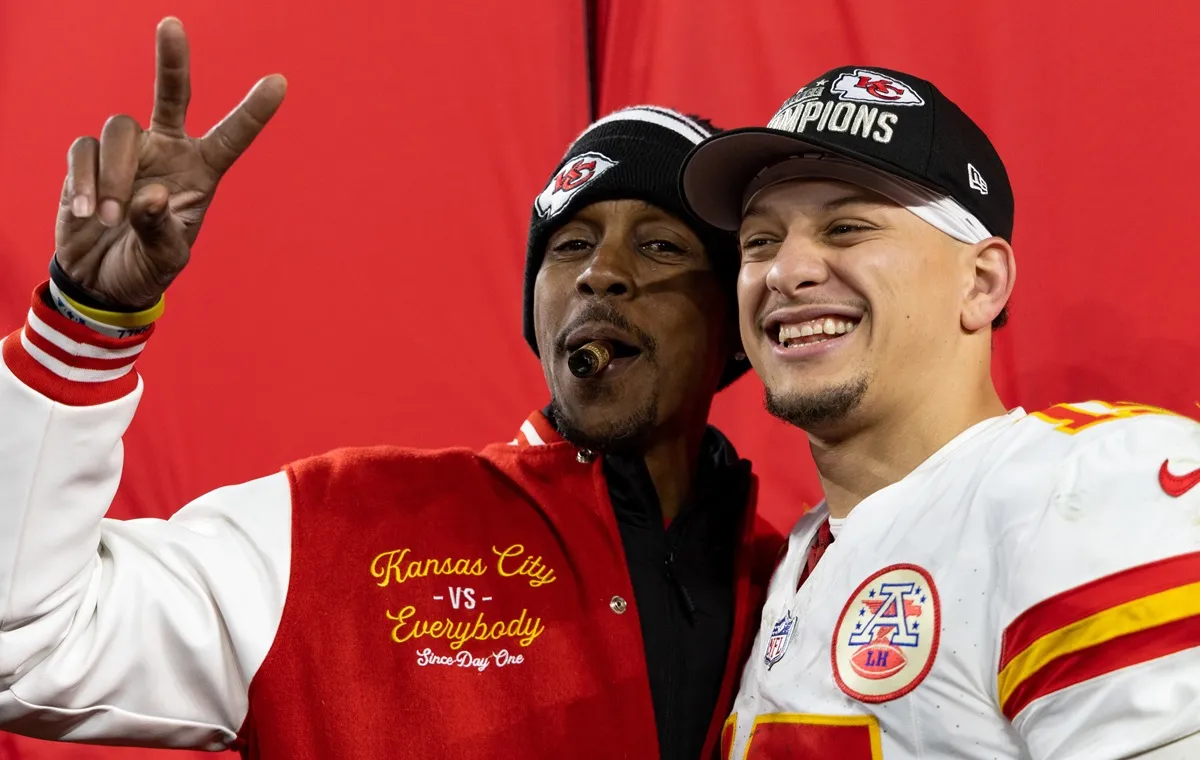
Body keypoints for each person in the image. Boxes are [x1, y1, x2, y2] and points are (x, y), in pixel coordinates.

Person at [0, 17, 784, 760]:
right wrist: (84, 324)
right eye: (570, 244)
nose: (599, 273)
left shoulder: (807, 586)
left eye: (659, 245)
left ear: (735, 321)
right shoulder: (335, 535)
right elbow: (25, 645)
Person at [677, 65, 1200, 759]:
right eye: (759, 241)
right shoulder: (788, 558)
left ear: (980, 283)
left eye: (846, 227)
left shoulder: (1092, 492)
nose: (785, 270)